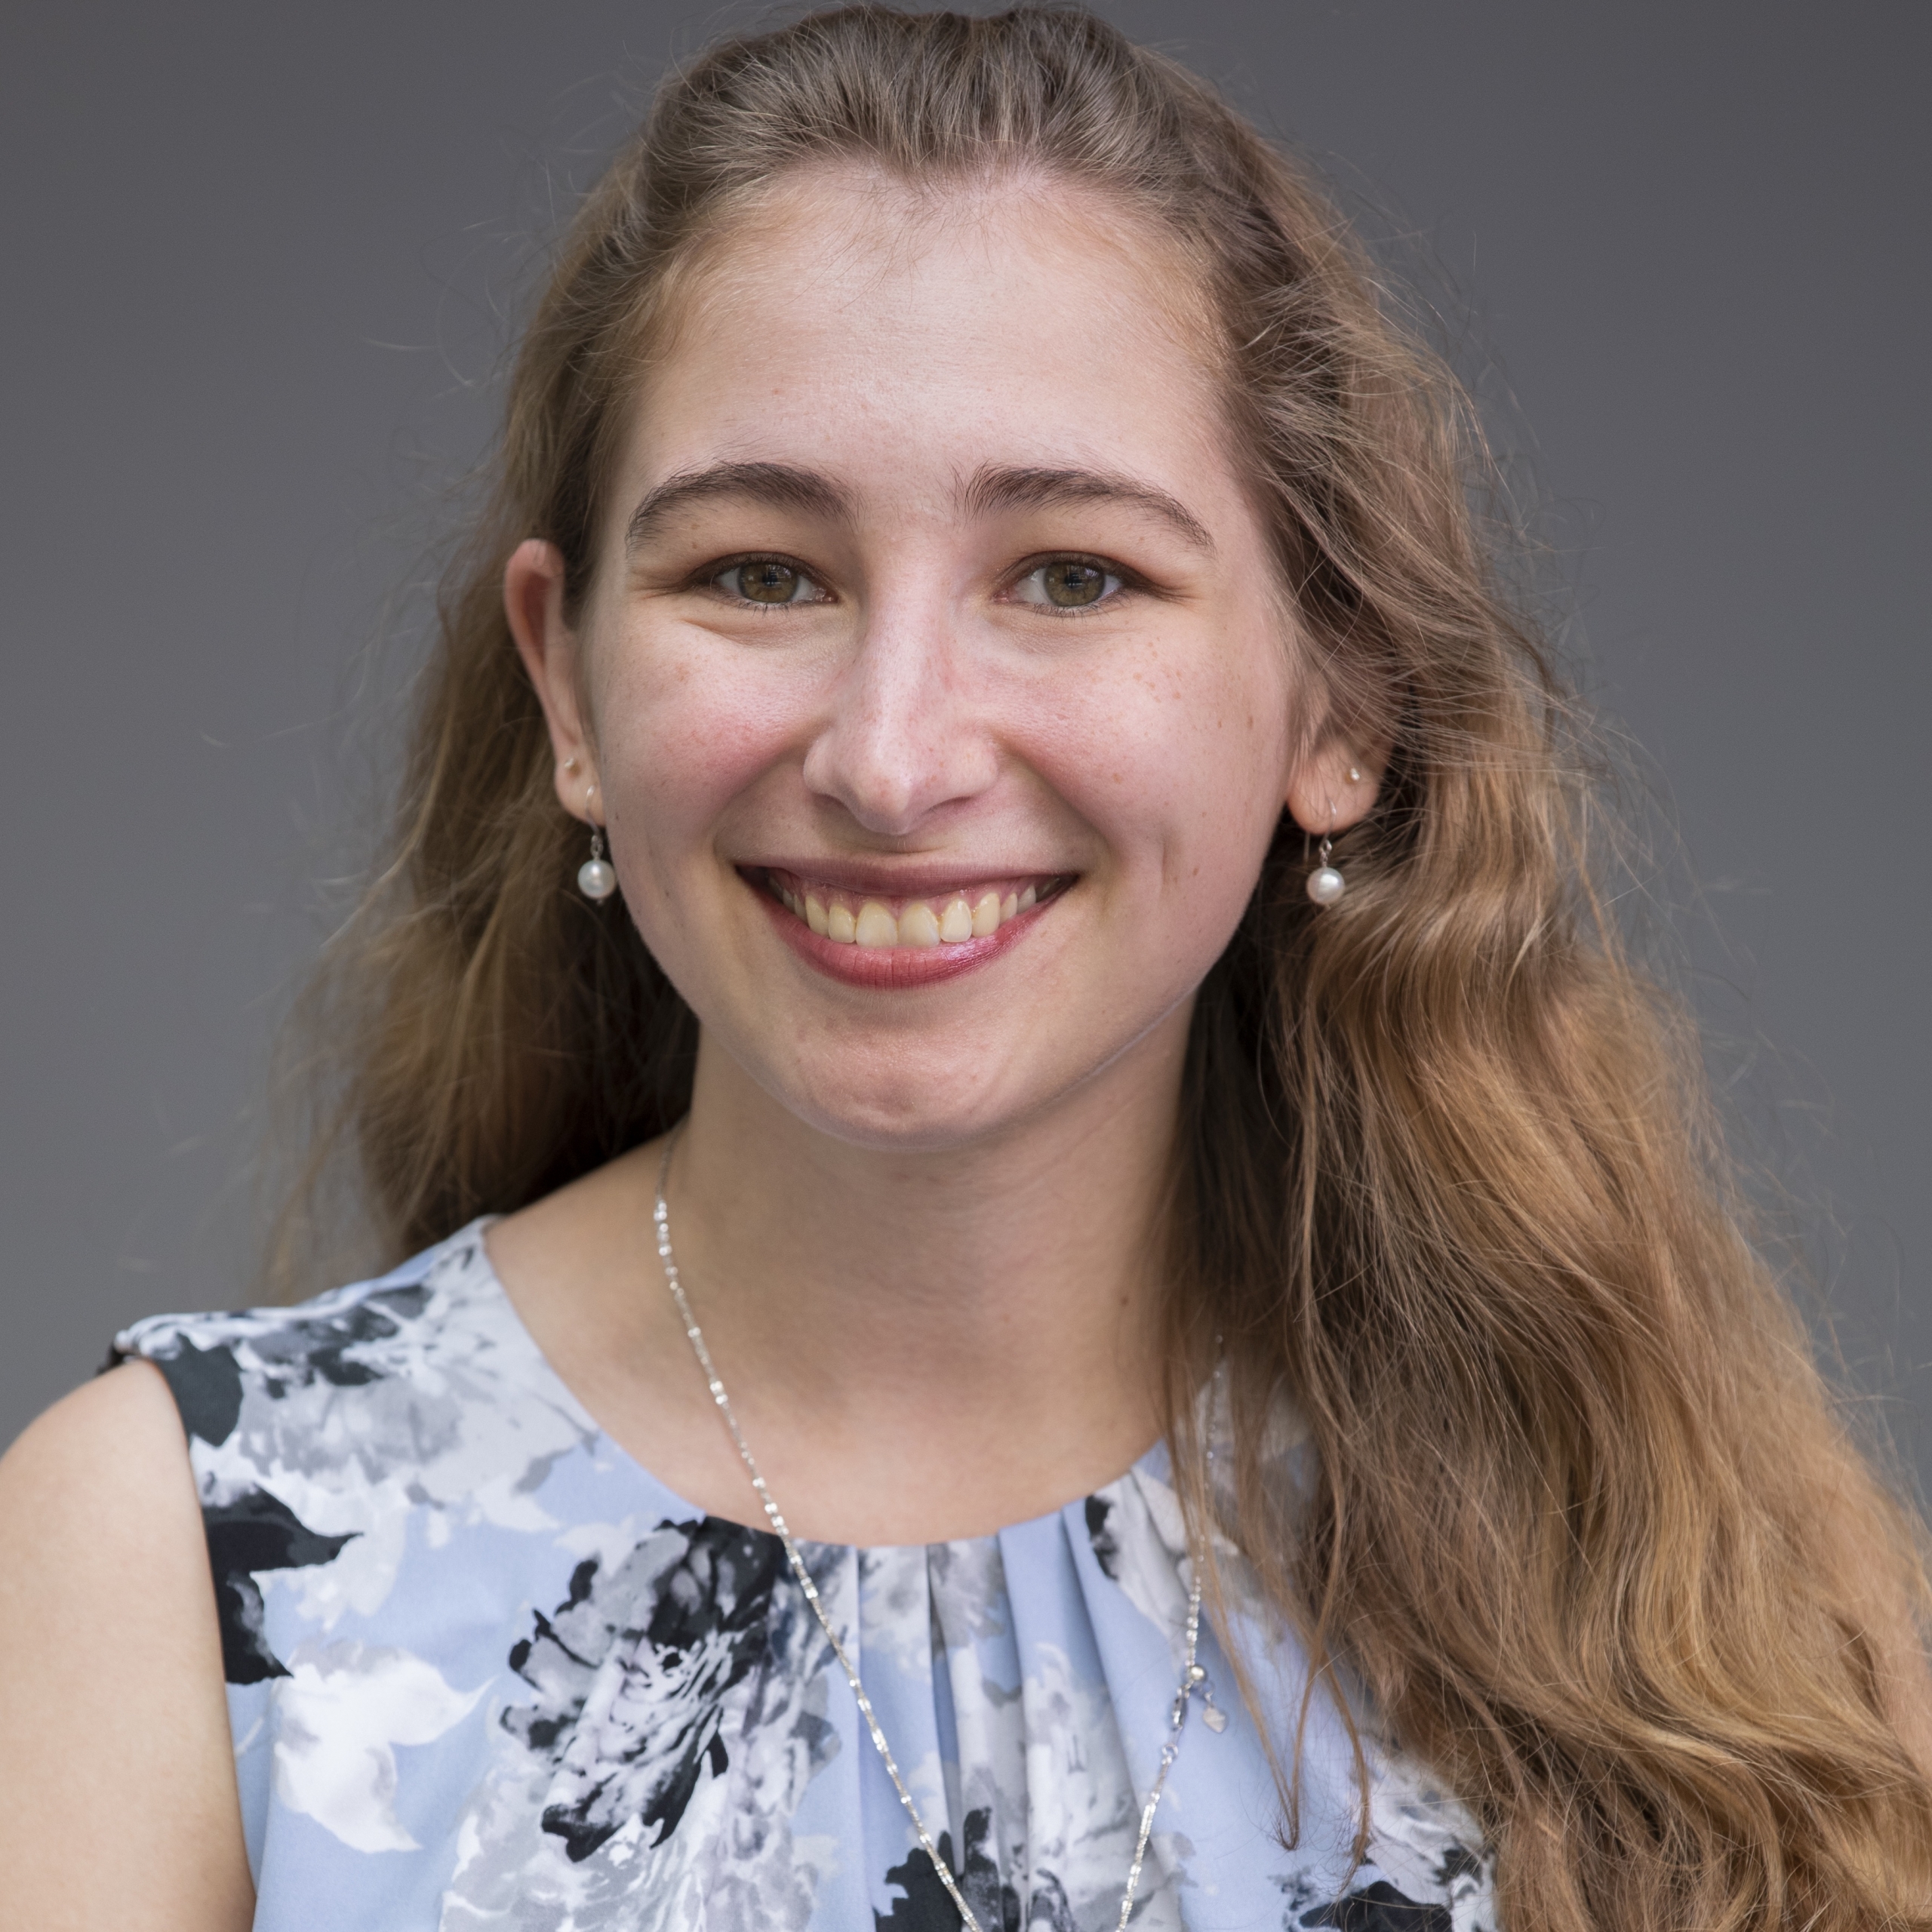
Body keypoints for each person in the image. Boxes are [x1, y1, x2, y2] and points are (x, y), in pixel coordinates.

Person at [2, 6, 1928, 1927]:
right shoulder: (171, 1571)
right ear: (566, 682)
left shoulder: (1724, 1625)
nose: (891, 754)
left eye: (1070, 575)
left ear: (1334, 698)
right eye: (759, 571)